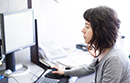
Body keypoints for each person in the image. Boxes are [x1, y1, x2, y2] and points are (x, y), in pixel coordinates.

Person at [51, 6, 130, 83]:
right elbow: (88, 69)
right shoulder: (104, 50)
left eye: (87, 27)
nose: (82, 30)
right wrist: (65, 72)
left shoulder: (114, 59)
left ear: (100, 31)